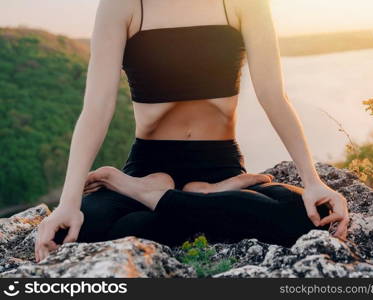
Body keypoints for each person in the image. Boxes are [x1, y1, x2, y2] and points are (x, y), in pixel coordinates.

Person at [35, 0, 349, 262]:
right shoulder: (122, 5)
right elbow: (96, 110)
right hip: (148, 164)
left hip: (219, 165)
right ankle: (199, 197)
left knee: (306, 219)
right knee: (88, 229)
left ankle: (164, 193)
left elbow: (274, 97)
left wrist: (312, 182)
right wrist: (68, 203)